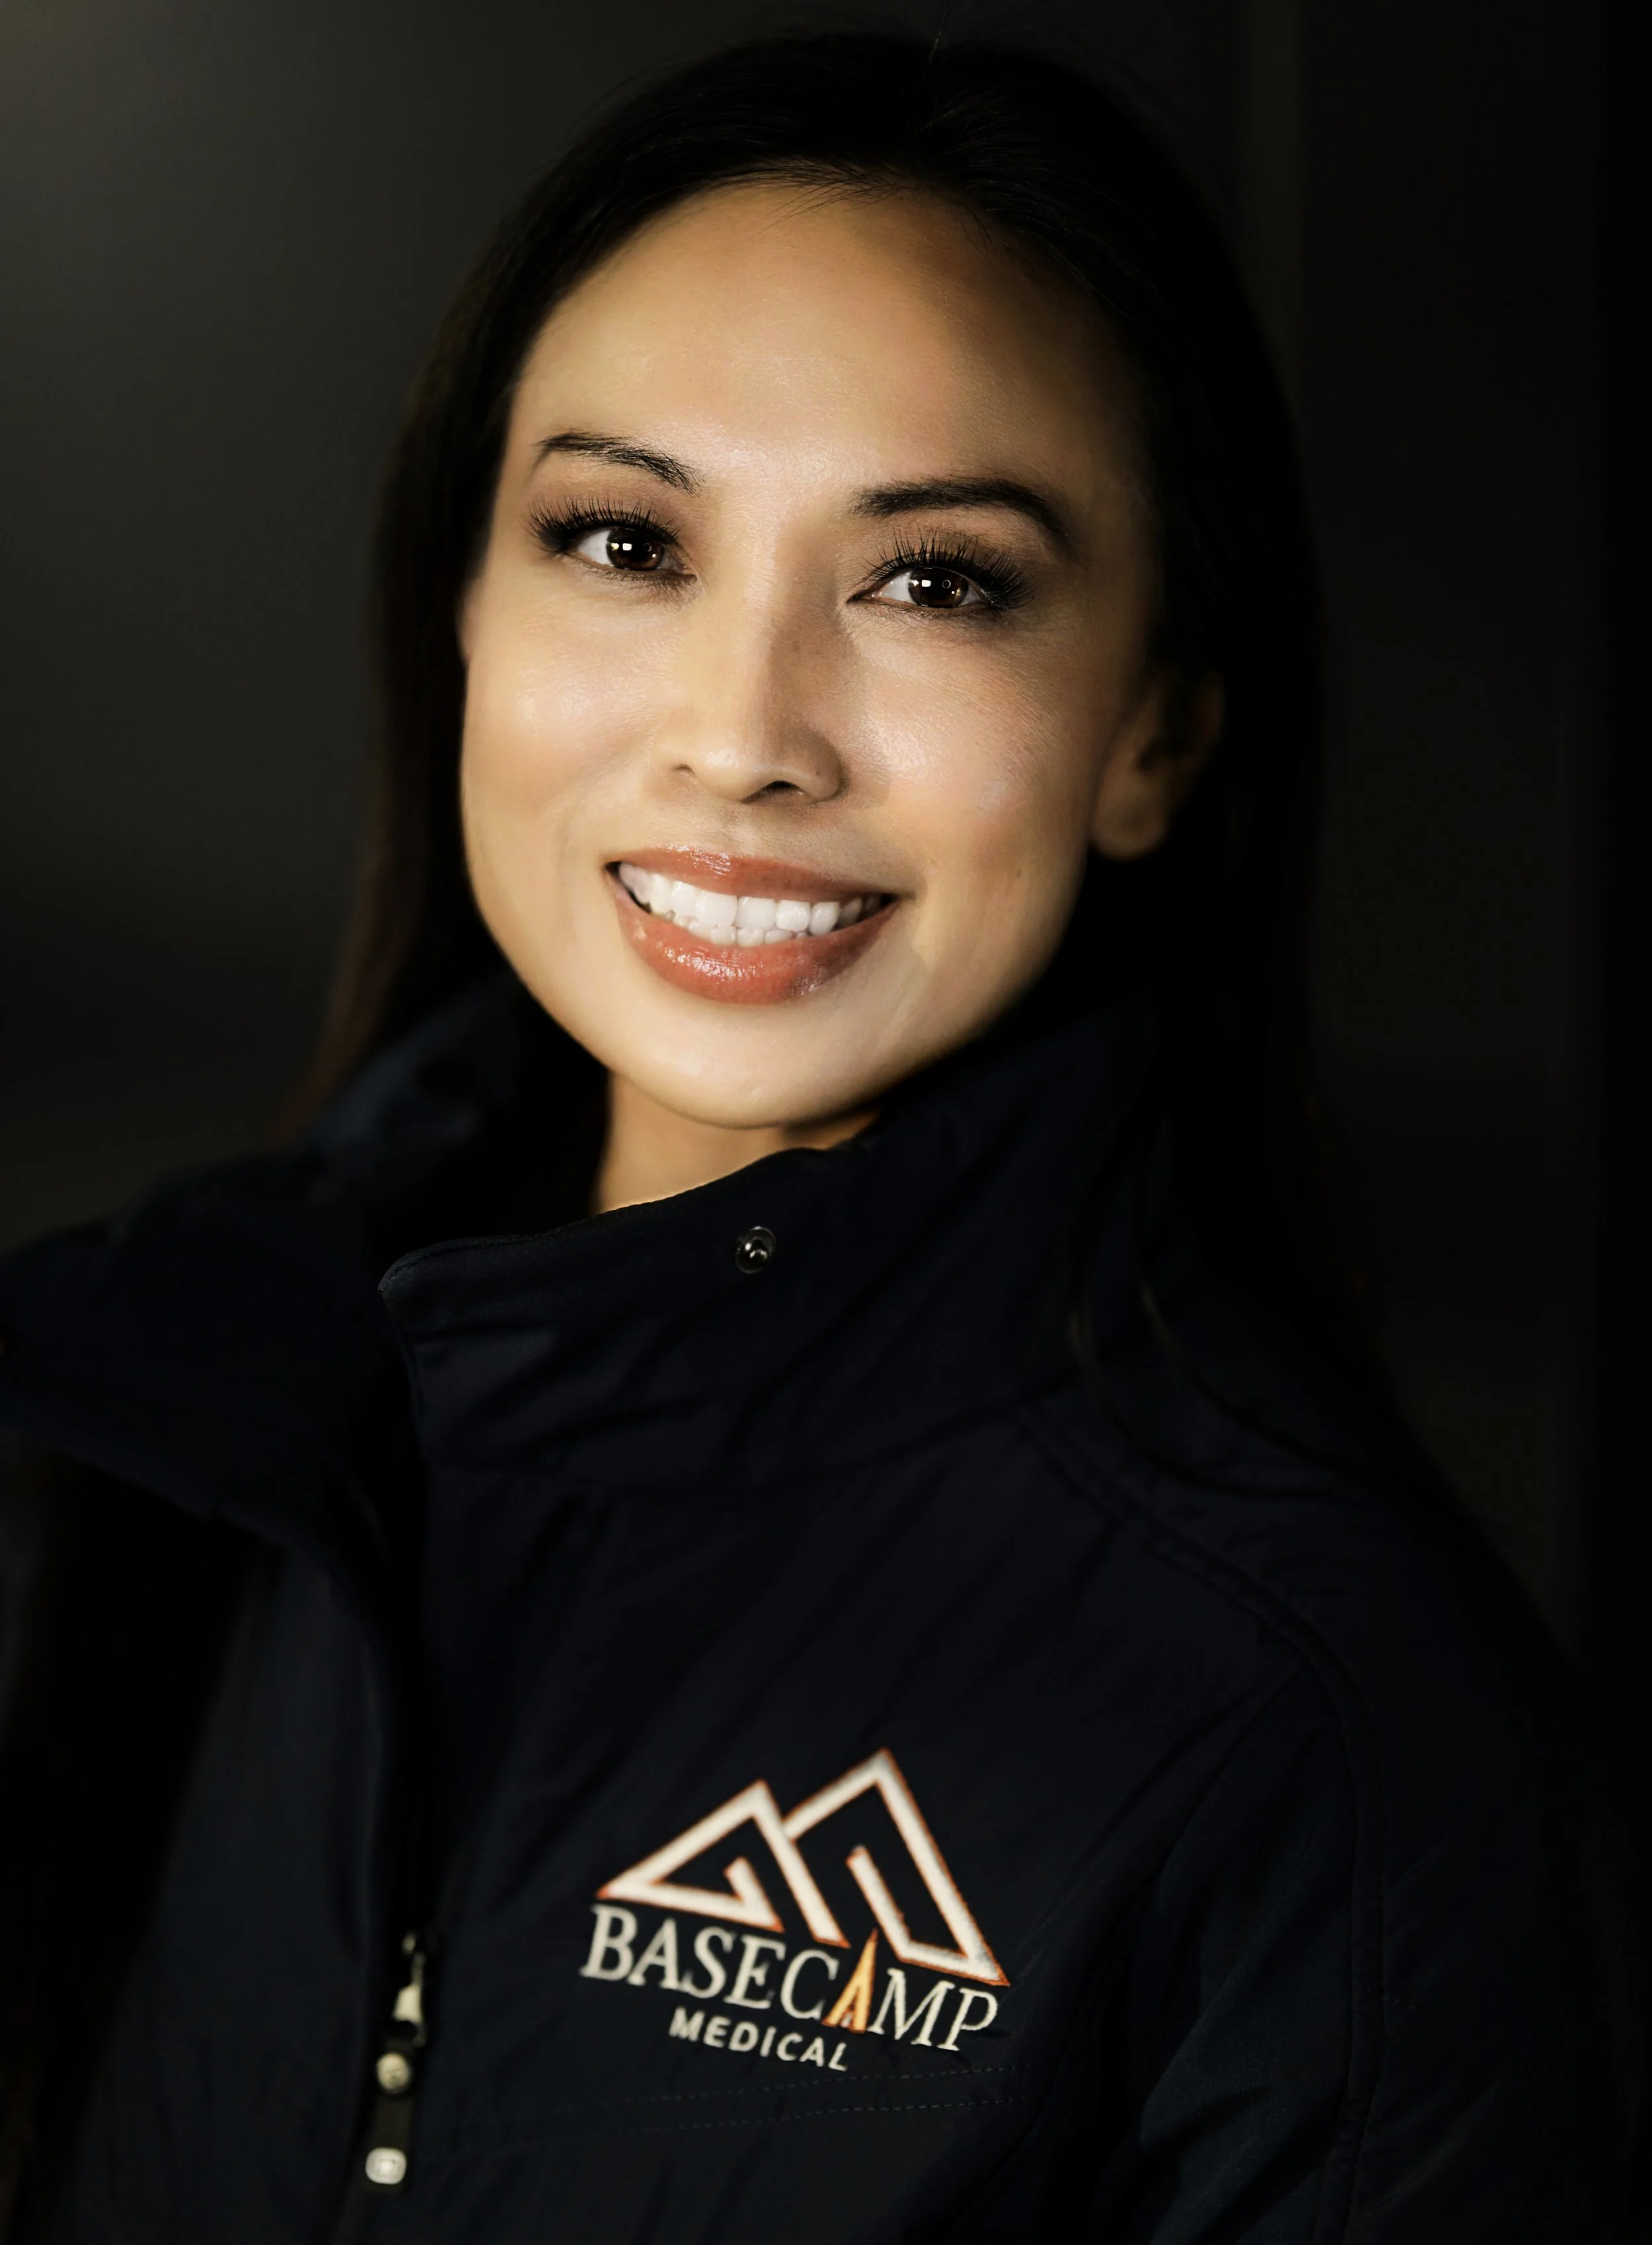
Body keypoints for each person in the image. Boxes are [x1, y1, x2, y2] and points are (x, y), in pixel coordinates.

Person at [0, 30, 1639, 2244]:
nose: (745, 734)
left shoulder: (1338, 1740)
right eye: (623, 540)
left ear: (1153, 733)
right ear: (460, 606)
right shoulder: (134, 1428)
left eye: (934, 580)